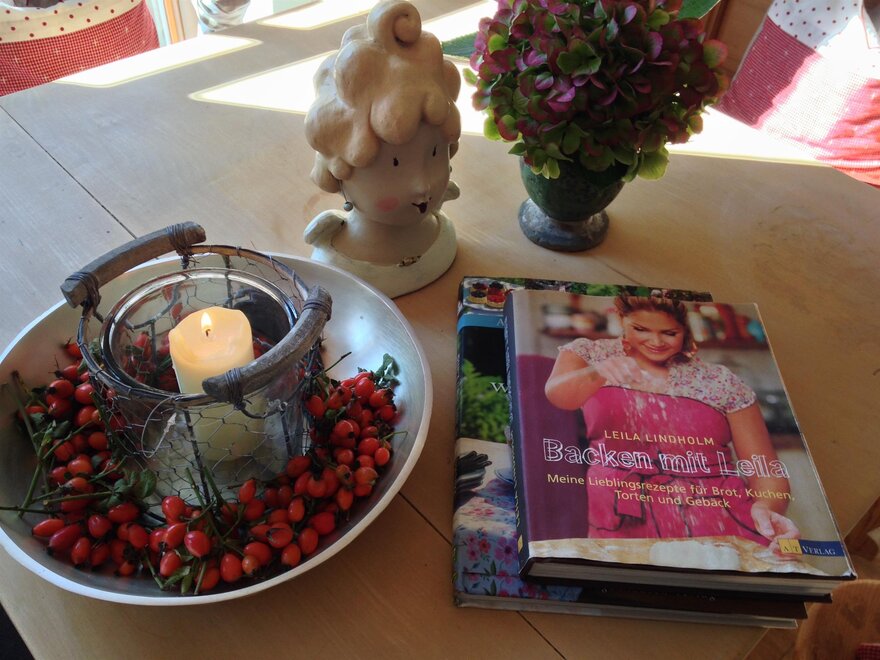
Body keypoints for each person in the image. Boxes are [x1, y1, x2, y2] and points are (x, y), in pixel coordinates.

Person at [544, 293, 800, 550]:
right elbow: (559, 396)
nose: (655, 342)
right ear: (621, 319)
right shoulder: (590, 354)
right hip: (621, 517)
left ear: (685, 329)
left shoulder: (719, 380)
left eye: (669, 333)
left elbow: (765, 471)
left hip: (718, 521)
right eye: (641, 329)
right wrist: (596, 372)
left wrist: (767, 507)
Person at [302, 0, 461, 298]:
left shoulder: (441, 236)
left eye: (435, 154)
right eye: (395, 164)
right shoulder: (338, 268)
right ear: (341, 168)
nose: (422, 184)